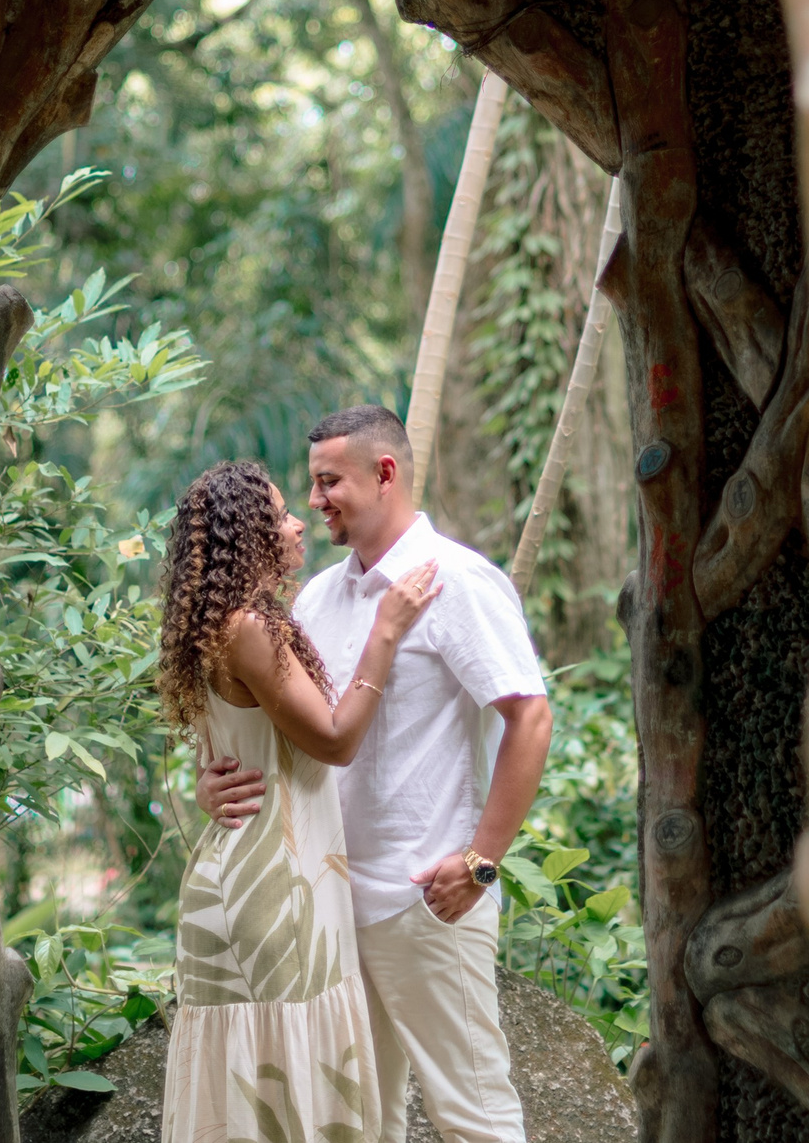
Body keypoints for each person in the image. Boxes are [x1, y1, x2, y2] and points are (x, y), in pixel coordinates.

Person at [199, 406, 553, 1143]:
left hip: (425, 899)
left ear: (383, 473)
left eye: (329, 481)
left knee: (475, 1116)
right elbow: (289, 730)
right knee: (362, 1125)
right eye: (312, 485)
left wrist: (482, 860)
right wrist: (213, 783)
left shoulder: (456, 580)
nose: (317, 499)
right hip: (326, 909)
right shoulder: (317, 598)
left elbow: (530, 716)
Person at [155, 458, 442, 1143]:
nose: (296, 522)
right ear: (250, 535)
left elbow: (225, 756)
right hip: (276, 894)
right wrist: (386, 631)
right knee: (286, 1101)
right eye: (281, 513)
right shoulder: (249, 626)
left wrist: (204, 787)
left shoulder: (208, 626)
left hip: (234, 880)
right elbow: (336, 742)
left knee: (244, 1108)